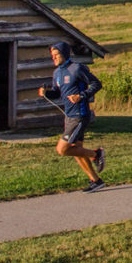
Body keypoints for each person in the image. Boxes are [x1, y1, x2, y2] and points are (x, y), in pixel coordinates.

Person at [39, 41, 107, 193]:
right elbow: (57, 93)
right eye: (52, 56)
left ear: (64, 54)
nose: (54, 58)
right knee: (76, 150)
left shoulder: (77, 68)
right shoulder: (57, 73)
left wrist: (81, 96)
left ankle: (96, 154)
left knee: (62, 150)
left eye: (56, 55)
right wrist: (46, 93)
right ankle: (96, 181)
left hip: (79, 115)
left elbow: (97, 84)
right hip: (68, 116)